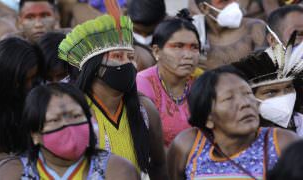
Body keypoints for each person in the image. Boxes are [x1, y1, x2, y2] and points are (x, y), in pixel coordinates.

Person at [58, 0, 167, 179]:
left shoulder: (145, 109)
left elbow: (159, 165)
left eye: (131, 56)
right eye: (117, 56)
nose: (127, 63)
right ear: (94, 67)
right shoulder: (74, 112)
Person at [168, 65, 299, 179]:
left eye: (248, 94)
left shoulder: (281, 143)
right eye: (229, 99)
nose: (245, 103)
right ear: (208, 118)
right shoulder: (188, 146)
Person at [0, 83, 139, 179]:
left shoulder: (118, 171)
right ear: (35, 134)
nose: (69, 126)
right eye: (55, 120)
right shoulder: (10, 174)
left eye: (76, 116)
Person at [136, 9, 201, 147]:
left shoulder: (201, 82)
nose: (188, 55)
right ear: (156, 51)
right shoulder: (142, 83)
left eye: (194, 47)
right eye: (178, 46)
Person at [0, 38, 44, 170]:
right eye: (22, 80)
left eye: (33, 79)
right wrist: (20, 161)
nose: (29, 85)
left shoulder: (18, 95)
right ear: (4, 75)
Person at [232, 36, 303, 136]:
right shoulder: (235, 135)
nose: (284, 96)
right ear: (249, 97)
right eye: (271, 92)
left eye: (288, 87)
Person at [192, 0, 267, 70]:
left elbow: (265, 69)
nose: (232, 4)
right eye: (223, 1)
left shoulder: (255, 27)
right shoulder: (197, 38)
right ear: (204, 8)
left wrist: (218, 69)